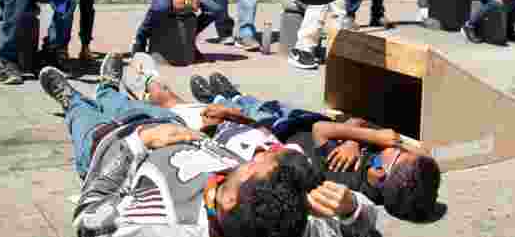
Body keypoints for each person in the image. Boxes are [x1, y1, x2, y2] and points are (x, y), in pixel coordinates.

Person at [37, 54, 376, 237]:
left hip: (111, 146)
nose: (256, 157)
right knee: (123, 102)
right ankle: (108, 88)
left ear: (229, 200)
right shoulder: (286, 222)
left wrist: (137, 144)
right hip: (173, 127)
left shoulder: (163, 228)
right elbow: (361, 226)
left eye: (252, 167)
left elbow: (89, 221)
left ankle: (72, 101)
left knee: (86, 119)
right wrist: (351, 209)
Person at [187, 73, 442, 223]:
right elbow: (354, 121)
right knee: (262, 104)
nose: (399, 145)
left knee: (248, 111)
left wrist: (371, 135)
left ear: (379, 172)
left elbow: (322, 129)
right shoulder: (377, 162)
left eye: (400, 152)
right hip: (299, 119)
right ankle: (233, 94)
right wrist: (356, 140)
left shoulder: (344, 171)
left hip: (281, 131)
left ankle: (218, 98)